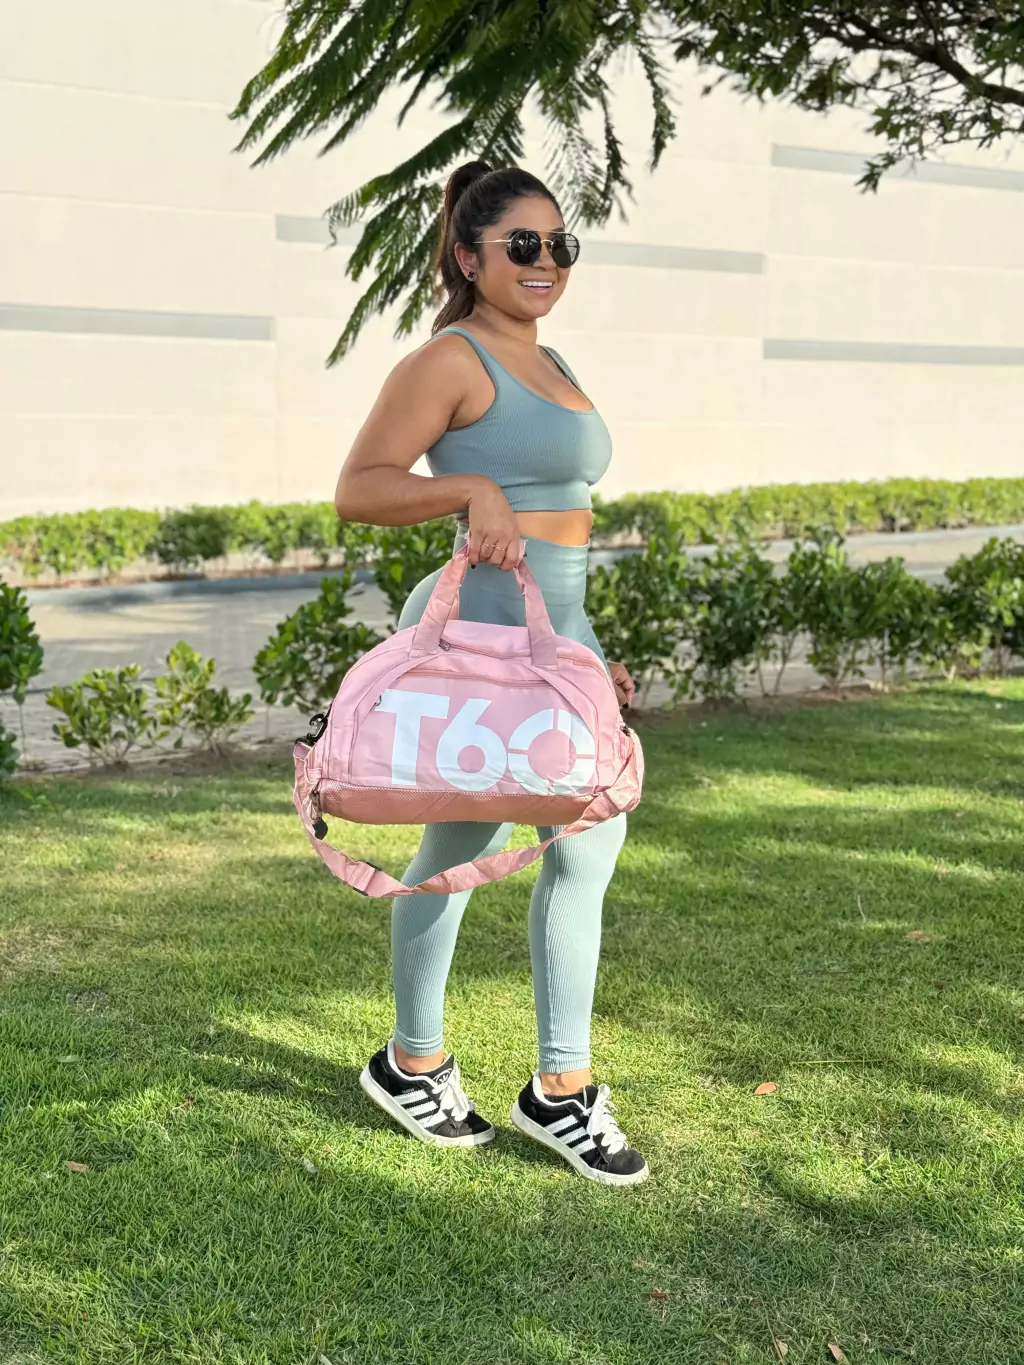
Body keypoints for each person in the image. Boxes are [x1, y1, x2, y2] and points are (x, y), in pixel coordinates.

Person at [333, 161, 648, 1187]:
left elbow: (560, 523)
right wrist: (468, 489)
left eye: (560, 244)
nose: (545, 260)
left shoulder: (549, 357)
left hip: (554, 637)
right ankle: (416, 1061)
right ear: (469, 257)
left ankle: (558, 1086)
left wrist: (588, 652)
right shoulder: (450, 359)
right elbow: (360, 488)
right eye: (523, 244)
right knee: (462, 838)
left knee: (586, 840)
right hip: (479, 636)